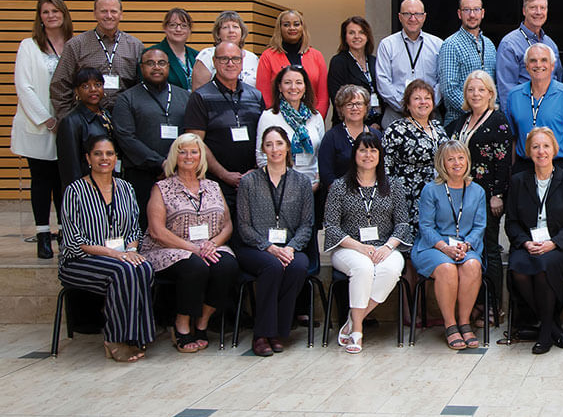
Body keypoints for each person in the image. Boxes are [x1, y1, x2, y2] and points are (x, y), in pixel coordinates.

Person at [58, 135, 154, 362]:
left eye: (109, 154)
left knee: (144, 267)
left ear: (116, 158)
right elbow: (75, 241)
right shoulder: (75, 191)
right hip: (79, 260)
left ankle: (138, 335)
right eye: (98, 154)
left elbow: (133, 228)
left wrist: (131, 250)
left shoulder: (125, 188)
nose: (104, 158)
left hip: (121, 255)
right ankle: (115, 338)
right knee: (123, 270)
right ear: (88, 158)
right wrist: (117, 255)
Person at [139, 133, 238, 352]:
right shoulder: (162, 188)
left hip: (208, 245)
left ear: (201, 156)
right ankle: (182, 324)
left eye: (194, 151)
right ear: (175, 156)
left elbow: (228, 224)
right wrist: (193, 249)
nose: (188, 156)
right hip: (169, 249)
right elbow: (157, 231)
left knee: (227, 266)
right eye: (182, 151)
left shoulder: (213, 186)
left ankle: (202, 321)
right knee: (195, 266)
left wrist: (213, 243)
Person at [323, 134, 411, 353]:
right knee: (362, 268)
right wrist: (359, 247)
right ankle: (358, 331)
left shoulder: (393, 185)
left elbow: (402, 222)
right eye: (363, 150)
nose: (368, 155)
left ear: (380, 155)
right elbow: (331, 225)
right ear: (354, 155)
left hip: (384, 246)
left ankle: (353, 320)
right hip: (349, 247)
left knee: (391, 270)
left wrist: (388, 247)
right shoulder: (340, 186)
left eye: (373, 150)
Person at [234, 126, 313, 357]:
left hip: (290, 246)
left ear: (287, 146)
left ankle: (278, 330)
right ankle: (261, 335)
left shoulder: (301, 182)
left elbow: (306, 225)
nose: (274, 149)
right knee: (272, 265)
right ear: (263, 149)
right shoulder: (249, 182)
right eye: (269, 145)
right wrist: (269, 248)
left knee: (298, 266)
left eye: (279, 143)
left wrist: (289, 248)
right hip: (255, 247)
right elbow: (244, 226)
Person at [506, 128, 563, 354]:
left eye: (546, 146)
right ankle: (551, 324)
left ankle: (544, 333)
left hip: (561, 247)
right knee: (518, 268)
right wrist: (525, 243)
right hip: (529, 243)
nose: (541, 151)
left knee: (544, 266)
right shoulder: (518, 181)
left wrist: (554, 243)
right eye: (535, 147)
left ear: (555, 149)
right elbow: (511, 222)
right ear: (528, 151)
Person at [445, 71, 511, 326]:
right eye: (471, 90)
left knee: (490, 249)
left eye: (481, 90)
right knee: (471, 250)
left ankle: (494, 306)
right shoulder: (459, 122)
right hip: (460, 196)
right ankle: (476, 304)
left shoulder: (498, 121)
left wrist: (497, 195)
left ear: (491, 93)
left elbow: (503, 163)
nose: (475, 94)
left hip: (486, 197)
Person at [12, 0, 72, 258]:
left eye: (55, 11)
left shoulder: (73, 44)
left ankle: (63, 233)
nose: (50, 15)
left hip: (67, 122)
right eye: (45, 12)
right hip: (39, 124)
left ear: (63, 15)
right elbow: (23, 86)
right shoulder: (29, 46)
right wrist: (47, 119)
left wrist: (65, 119)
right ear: (40, 17)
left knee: (63, 181)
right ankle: (42, 235)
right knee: (41, 181)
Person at [413, 140, 487, 350]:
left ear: (468, 161)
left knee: (472, 266)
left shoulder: (478, 191)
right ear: (442, 163)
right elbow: (425, 226)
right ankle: (450, 324)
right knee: (447, 269)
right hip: (433, 247)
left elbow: (480, 226)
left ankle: (464, 322)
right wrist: (444, 247)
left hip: (466, 247)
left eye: (461, 158)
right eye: (451, 159)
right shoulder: (431, 190)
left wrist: (466, 245)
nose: (457, 163)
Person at [183, 42, 265, 213]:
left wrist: (256, 171)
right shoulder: (200, 97)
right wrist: (224, 174)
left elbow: (264, 137)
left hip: (252, 182)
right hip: (215, 184)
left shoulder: (255, 95)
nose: (230, 63)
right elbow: (195, 141)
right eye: (224, 59)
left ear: (242, 62)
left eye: (235, 58)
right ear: (214, 61)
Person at [112, 49, 191, 227]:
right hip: (142, 174)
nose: (156, 67)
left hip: (180, 172)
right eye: (150, 63)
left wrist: (175, 163)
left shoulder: (185, 97)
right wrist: (160, 163)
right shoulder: (127, 98)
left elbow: (191, 134)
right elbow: (126, 138)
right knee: (144, 224)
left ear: (168, 67)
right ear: (141, 68)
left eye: (161, 63)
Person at [50, 0, 143, 119]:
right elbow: (59, 85)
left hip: (124, 119)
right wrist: (69, 119)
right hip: (86, 119)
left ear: (121, 14)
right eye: (103, 11)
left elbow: (141, 87)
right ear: (95, 13)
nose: (109, 16)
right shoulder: (76, 45)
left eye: (113, 11)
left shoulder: (135, 46)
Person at [505, 43, 563, 173]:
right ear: (526, 66)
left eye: (544, 60)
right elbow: (512, 138)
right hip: (524, 166)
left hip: (557, 167)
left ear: (552, 66)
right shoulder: (514, 96)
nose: (538, 65)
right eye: (533, 61)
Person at [382, 79, 447, 220]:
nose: (423, 102)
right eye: (417, 98)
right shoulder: (396, 129)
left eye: (427, 98)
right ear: (408, 104)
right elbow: (386, 166)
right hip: (408, 196)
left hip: (438, 193)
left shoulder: (438, 127)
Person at [256, 65, 327, 191]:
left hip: (312, 185)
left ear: (305, 87)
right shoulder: (269, 116)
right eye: (287, 83)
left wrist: (317, 180)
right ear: (279, 87)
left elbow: (321, 154)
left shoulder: (315, 116)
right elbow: (261, 156)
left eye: (298, 82)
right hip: (280, 186)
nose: (293, 87)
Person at [375, 0, 442, 124]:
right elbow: (383, 81)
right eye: (407, 14)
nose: (412, 18)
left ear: (424, 17)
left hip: (430, 117)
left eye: (417, 14)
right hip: (396, 116)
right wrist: (406, 106)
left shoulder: (438, 45)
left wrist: (426, 105)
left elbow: (442, 81)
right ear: (400, 17)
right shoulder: (387, 45)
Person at [256, 10, 330, 117]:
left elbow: (323, 97)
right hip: (278, 122)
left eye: (296, 24)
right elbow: (264, 95)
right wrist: (277, 119)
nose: (292, 28)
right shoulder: (268, 56)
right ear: (279, 28)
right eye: (286, 25)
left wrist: (315, 120)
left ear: (302, 27)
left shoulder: (316, 56)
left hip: (311, 120)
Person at [439, 0, 498, 124]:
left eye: (476, 10)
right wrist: (476, 111)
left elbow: (494, 85)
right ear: (460, 14)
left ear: (482, 13)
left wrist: (488, 114)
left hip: (487, 121)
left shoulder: (489, 45)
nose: (472, 15)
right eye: (467, 10)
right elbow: (449, 90)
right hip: (459, 123)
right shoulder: (451, 45)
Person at [495, 0, 563, 102]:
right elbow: (506, 90)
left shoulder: (550, 44)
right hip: (523, 112)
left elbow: (558, 79)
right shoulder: (509, 44)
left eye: (543, 8)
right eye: (533, 8)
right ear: (524, 11)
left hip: (551, 110)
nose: (538, 12)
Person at [318, 85, 383, 194]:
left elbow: (382, 168)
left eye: (359, 103)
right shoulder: (331, 137)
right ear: (341, 109)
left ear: (366, 107)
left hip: (372, 197)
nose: (354, 108)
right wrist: (347, 197)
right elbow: (326, 174)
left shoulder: (376, 135)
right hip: (340, 198)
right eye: (349, 104)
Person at [57, 68, 116, 187]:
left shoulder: (106, 114)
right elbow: (70, 167)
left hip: (108, 181)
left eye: (98, 85)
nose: (93, 89)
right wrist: (78, 194)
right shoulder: (70, 121)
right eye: (85, 86)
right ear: (77, 92)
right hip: (86, 187)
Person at [327, 16, 381, 128]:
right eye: (351, 33)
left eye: (361, 32)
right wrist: (364, 125)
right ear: (345, 37)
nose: (357, 36)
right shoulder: (338, 62)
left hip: (376, 125)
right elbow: (337, 98)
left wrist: (377, 123)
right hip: (349, 125)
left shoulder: (374, 61)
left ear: (367, 36)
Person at [190, 11, 260, 90]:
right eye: (225, 27)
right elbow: (198, 91)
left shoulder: (253, 58)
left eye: (235, 27)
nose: (231, 31)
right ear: (218, 33)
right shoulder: (207, 55)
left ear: (242, 32)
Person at [151, 8, 199, 90]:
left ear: (189, 30)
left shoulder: (197, 55)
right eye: (173, 25)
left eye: (184, 26)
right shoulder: (151, 54)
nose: (178, 29)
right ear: (165, 28)